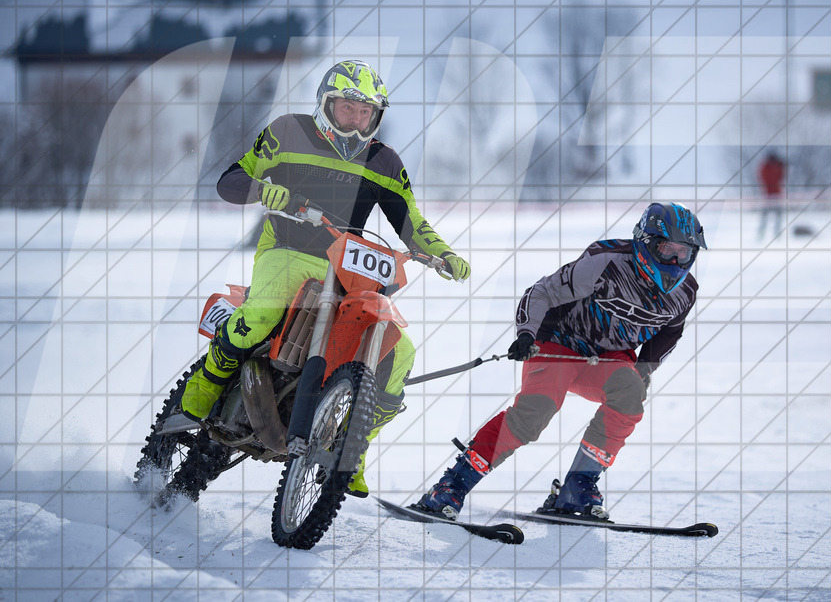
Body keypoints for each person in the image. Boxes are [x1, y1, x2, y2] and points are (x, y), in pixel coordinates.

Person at [179, 60, 470, 497]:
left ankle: (350, 451)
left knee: (399, 352)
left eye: (365, 113)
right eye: (348, 108)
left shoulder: (384, 161)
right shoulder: (288, 131)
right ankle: (206, 382)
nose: (356, 120)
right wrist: (264, 190)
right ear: (326, 104)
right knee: (262, 315)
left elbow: (409, 220)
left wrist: (441, 252)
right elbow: (231, 180)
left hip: (348, 268)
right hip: (286, 250)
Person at [413, 202, 705, 521]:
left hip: (607, 357)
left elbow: (668, 334)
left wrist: (643, 371)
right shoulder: (605, 262)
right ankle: (452, 485)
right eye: (668, 250)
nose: (676, 261)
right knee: (533, 415)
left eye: (685, 253)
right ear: (647, 243)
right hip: (558, 344)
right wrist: (526, 334)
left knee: (631, 396)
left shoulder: (685, 293)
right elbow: (540, 293)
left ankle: (578, 487)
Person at [757, 151, 786, 240]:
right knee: (764, 218)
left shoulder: (777, 167)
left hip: (776, 196)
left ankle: (777, 236)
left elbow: (781, 177)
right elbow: (766, 178)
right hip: (767, 196)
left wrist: (781, 166)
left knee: (778, 218)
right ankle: (761, 236)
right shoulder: (766, 168)